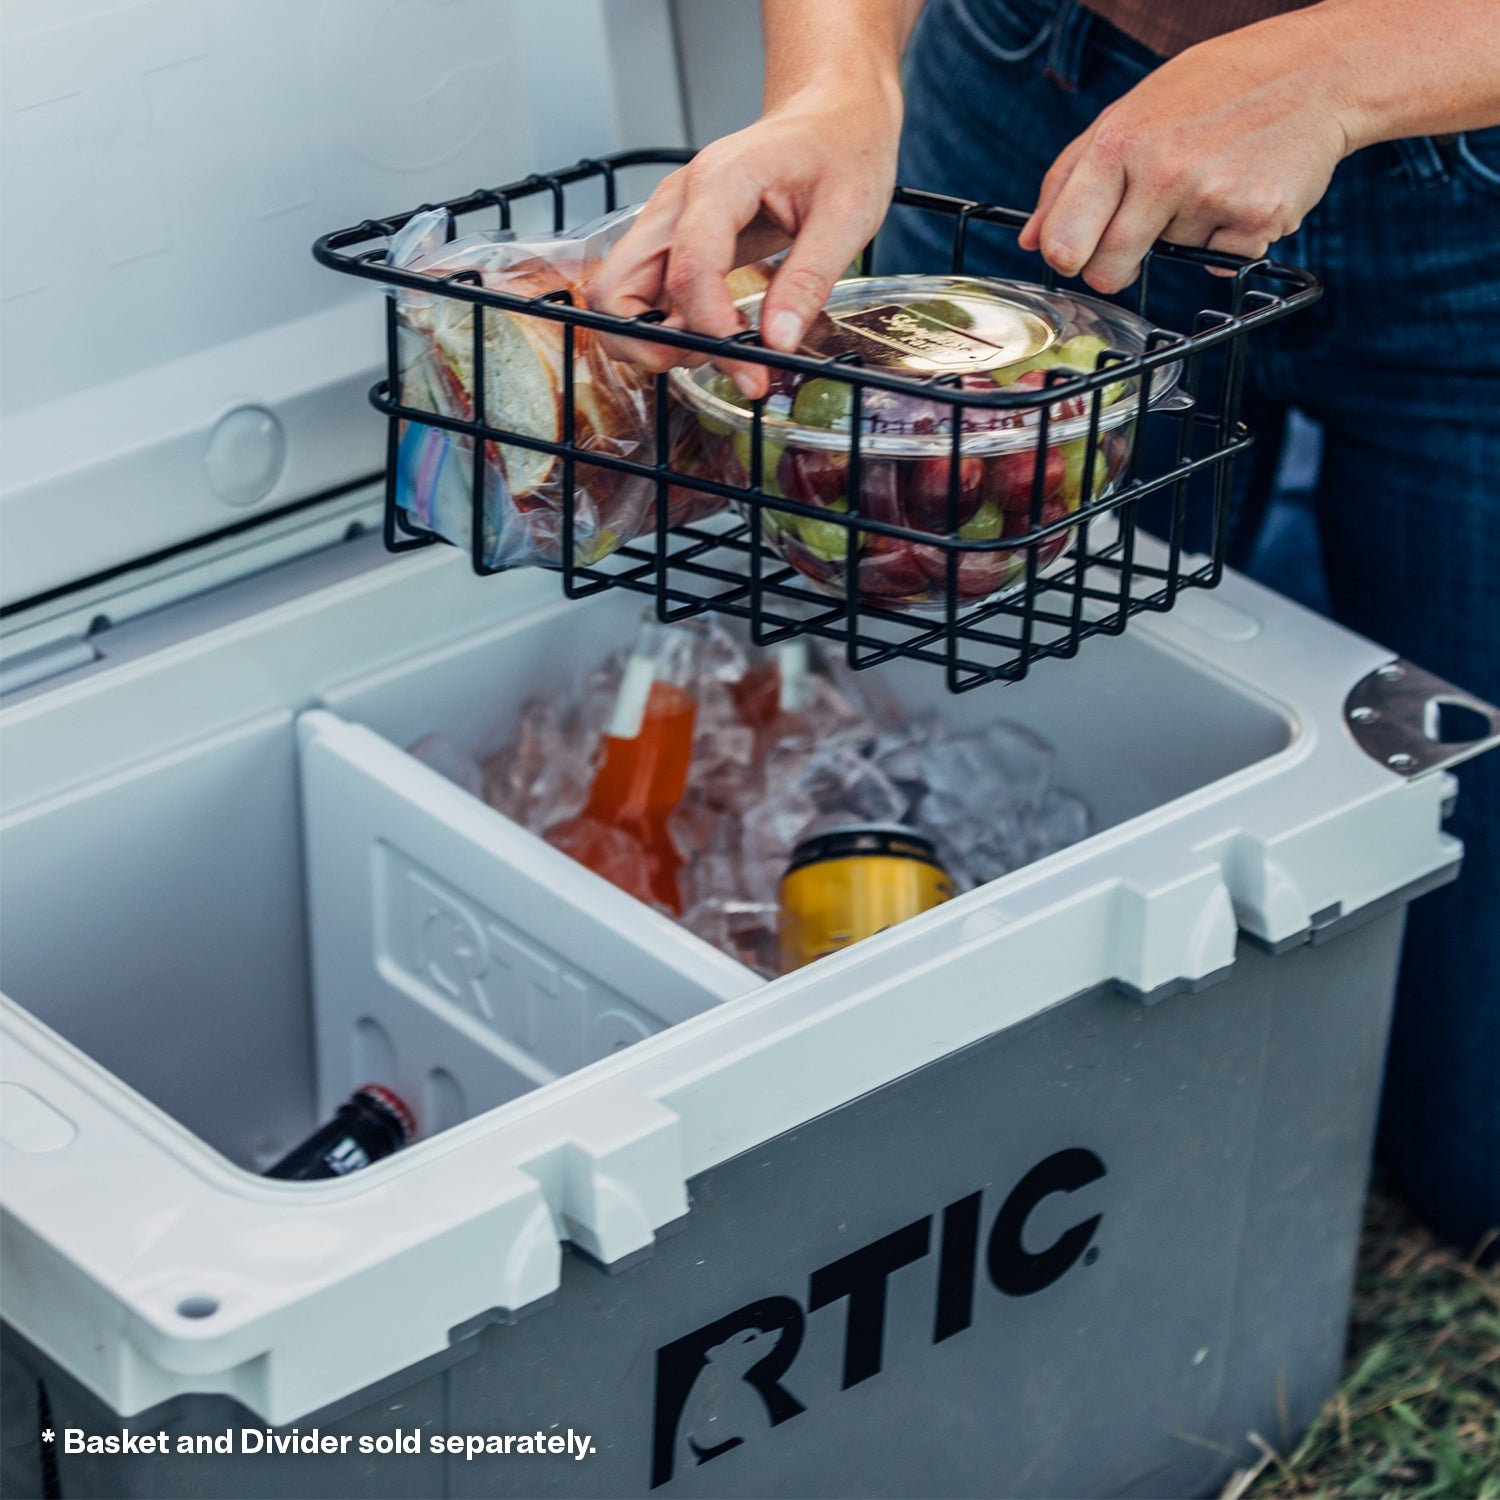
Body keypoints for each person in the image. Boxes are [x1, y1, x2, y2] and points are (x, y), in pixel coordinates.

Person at [591, 0, 1500, 1251]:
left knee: (1473, 1174)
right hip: (1054, 117)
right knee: (948, 717)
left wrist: (1340, 68)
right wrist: (837, 79)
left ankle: (1302, 560)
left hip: (1478, 202)